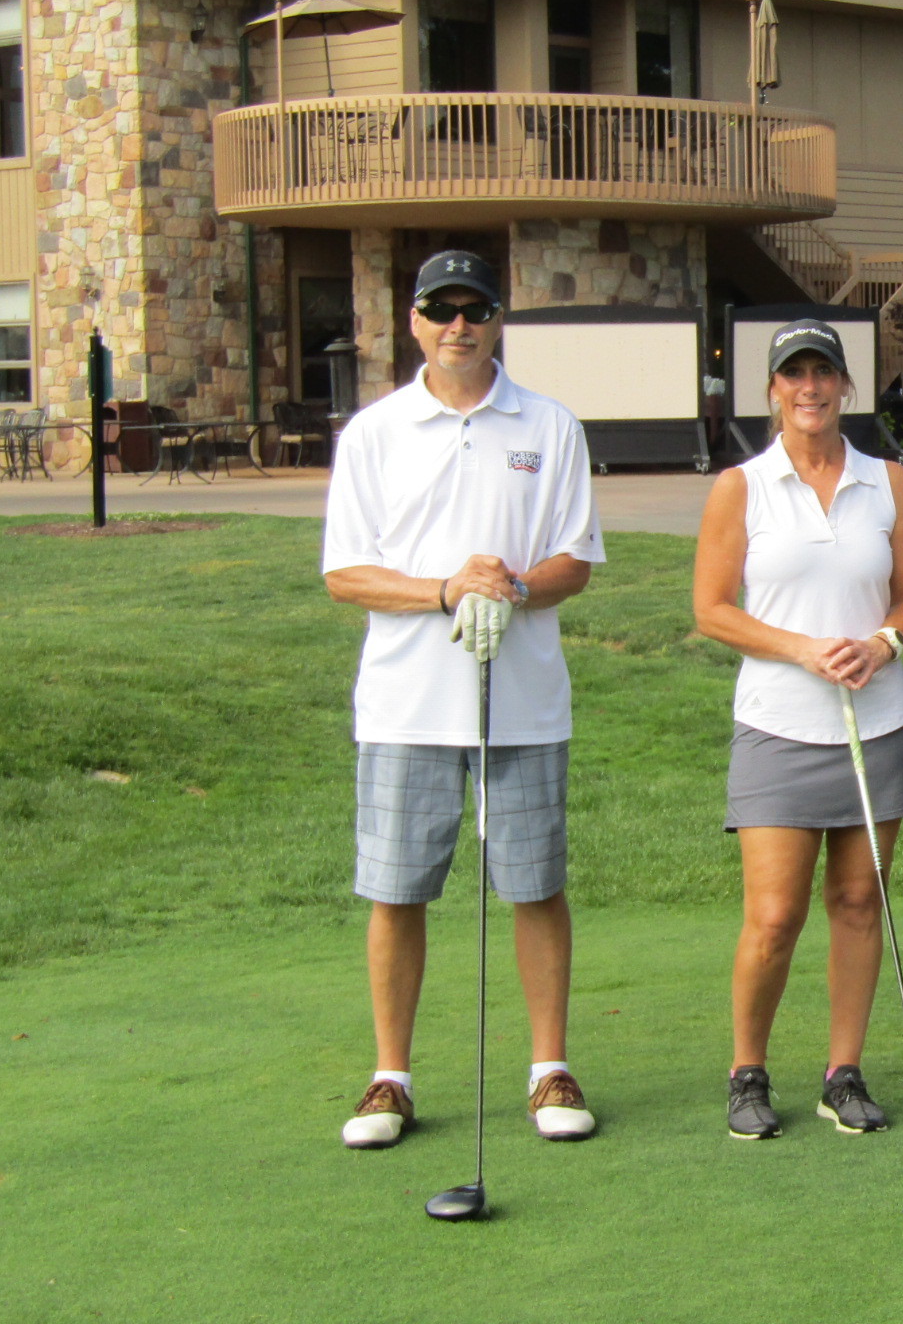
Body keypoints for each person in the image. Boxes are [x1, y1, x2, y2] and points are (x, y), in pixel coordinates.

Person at [322, 249, 603, 1150]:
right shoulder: (374, 432)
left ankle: (549, 1067)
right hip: (406, 704)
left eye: (475, 309)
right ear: (414, 322)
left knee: (535, 884)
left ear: (497, 320)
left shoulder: (549, 425)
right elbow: (346, 572)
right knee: (396, 889)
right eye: (440, 310)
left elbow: (575, 561)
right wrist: (446, 590)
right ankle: (390, 1078)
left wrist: (508, 587)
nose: (458, 326)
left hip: (522, 703)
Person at [693, 319, 903, 1140]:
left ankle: (844, 1073)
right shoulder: (742, 487)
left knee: (861, 902)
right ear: (773, 390)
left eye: (823, 373)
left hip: (878, 723)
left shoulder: (887, 482)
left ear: (845, 386)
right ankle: (747, 1073)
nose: (810, 388)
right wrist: (802, 648)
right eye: (793, 374)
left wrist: (883, 643)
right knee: (774, 917)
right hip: (778, 726)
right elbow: (712, 609)